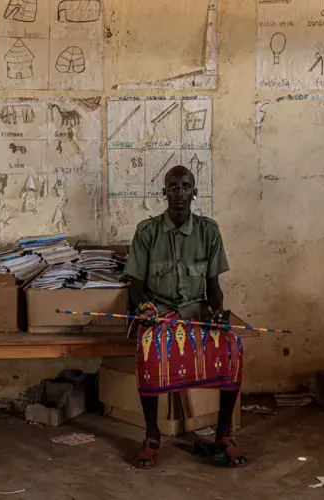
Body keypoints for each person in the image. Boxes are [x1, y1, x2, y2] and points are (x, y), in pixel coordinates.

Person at [124, 165, 245, 469]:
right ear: (164, 193)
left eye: (185, 186)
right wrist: (144, 309)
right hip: (159, 313)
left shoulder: (209, 231)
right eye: (173, 187)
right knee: (149, 353)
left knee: (231, 348)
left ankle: (224, 434)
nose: (179, 193)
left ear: (195, 191)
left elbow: (214, 287)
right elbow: (135, 287)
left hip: (196, 311)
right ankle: (152, 436)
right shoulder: (146, 231)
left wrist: (217, 310)